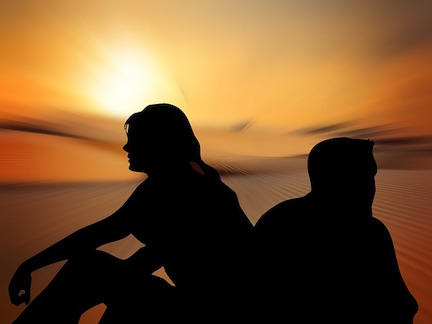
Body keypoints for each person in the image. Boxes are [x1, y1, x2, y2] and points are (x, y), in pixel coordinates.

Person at [9, 103, 255, 323]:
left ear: (158, 143)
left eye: (135, 139)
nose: (126, 146)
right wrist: (30, 265)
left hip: (209, 313)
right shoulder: (164, 187)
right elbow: (98, 233)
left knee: (88, 269)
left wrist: (115, 287)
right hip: (196, 306)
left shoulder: (191, 190)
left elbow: (146, 258)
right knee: (92, 270)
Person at [254, 137, 418, 324]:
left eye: (372, 177)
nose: (371, 188)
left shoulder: (276, 221)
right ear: (335, 180)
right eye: (361, 177)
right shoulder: (369, 234)